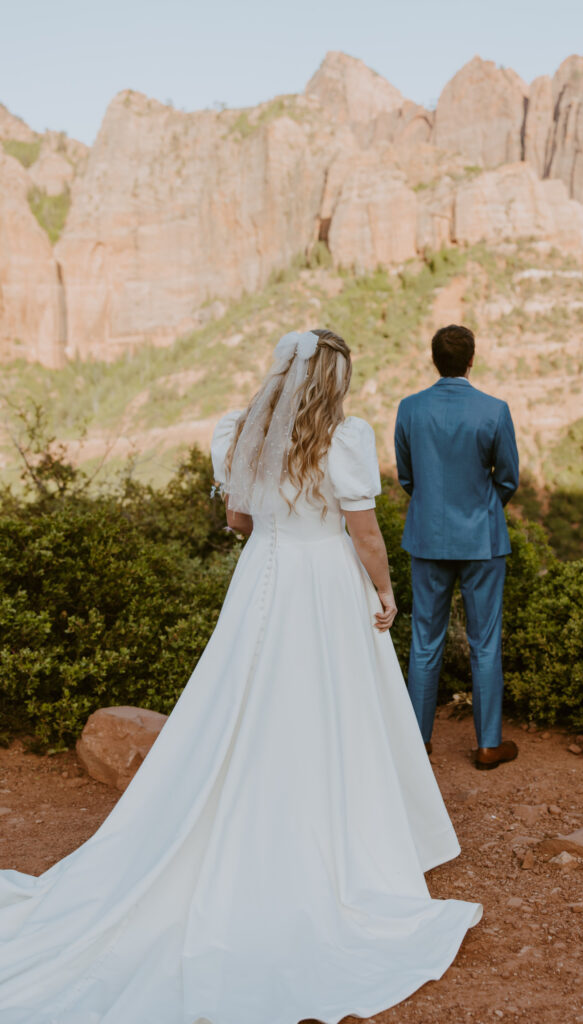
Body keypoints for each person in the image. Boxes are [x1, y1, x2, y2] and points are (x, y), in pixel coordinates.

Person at [0, 328, 481, 1024]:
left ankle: (240, 811)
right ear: (332, 382)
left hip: (264, 573)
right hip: (321, 580)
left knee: (245, 698)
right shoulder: (342, 439)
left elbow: (238, 518)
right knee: (332, 705)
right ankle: (344, 837)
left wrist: (274, 518)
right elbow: (364, 533)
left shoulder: (240, 433)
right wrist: (384, 593)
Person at [394, 324, 520, 770]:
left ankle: (417, 742)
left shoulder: (409, 409)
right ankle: (488, 744)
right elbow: (508, 478)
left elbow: (407, 476)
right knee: (485, 642)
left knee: (425, 640)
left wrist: (435, 508)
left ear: (434, 361)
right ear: (472, 359)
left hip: (427, 538)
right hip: (482, 540)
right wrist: (483, 508)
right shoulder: (494, 410)